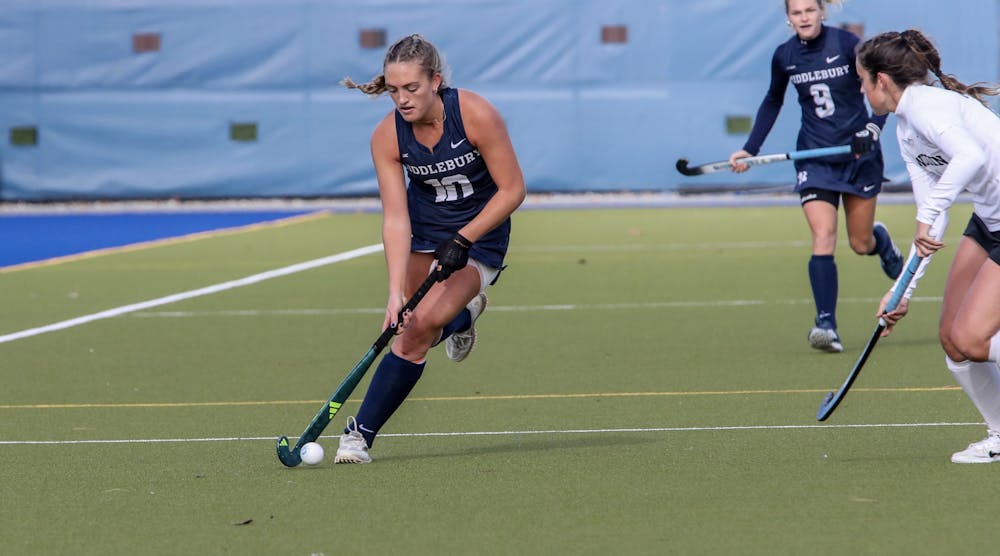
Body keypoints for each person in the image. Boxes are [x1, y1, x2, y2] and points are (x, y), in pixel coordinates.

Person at [334, 34, 526, 463]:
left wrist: (464, 238)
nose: (402, 100)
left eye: (412, 88)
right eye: (394, 90)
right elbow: (396, 218)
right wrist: (393, 293)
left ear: (435, 81)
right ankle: (464, 318)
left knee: (421, 326)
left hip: (482, 235)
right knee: (408, 324)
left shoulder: (474, 114)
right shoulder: (387, 137)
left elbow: (513, 190)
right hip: (424, 235)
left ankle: (359, 434)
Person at [856, 29, 1000, 463]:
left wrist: (931, 209)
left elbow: (970, 157)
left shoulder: (928, 106)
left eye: (862, 80)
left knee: (973, 338)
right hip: (989, 221)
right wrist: (901, 291)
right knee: (953, 341)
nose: (861, 90)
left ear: (882, 80)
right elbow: (932, 216)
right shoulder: (905, 128)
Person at [728, 0, 903, 353]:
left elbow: (883, 90)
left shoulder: (846, 44)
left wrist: (872, 127)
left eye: (810, 10)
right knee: (823, 235)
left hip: (858, 158)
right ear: (788, 18)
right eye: (797, 12)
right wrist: (750, 148)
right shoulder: (784, 56)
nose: (804, 17)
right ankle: (826, 325)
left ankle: (879, 241)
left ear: (822, 11)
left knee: (859, 244)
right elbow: (773, 101)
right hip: (815, 158)